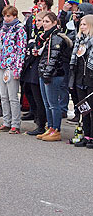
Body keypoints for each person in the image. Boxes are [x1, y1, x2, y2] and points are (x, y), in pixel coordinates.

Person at [37, 11, 73, 141]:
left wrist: (47, 74)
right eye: (43, 21)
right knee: (47, 103)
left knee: (53, 104)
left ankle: (56, 130)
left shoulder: (56, 37)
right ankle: (50, 127)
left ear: (54, 23)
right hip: (44, 72)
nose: (44, 24)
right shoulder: (46, 37)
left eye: (47, 22)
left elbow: (53, 58)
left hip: (53, 74)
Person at [0, 6, 27, 133]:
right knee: (3, 96)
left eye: (9, 16)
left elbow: (21, 50)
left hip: (11, 67)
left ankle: (15, 124)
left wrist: (17, 68)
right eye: (5, 16)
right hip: (1, 65)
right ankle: (6, 121)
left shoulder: (20, 29)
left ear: (15, 16)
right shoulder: (3, 30)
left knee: (12, 96)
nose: (6, 19)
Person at [21, 11, 48, 135]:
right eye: (36, 21)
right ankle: (36, 117)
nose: (36, 23)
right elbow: (30, 46)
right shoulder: (35, 33)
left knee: (38, 97)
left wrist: (32, 47)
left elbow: (36, 48)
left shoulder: (45, 35)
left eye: (39, 20)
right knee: (28, 90)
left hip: (38, 66)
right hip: (30, 65)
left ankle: (41, 124)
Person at [69, 14, 93, 148]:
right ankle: (86, 135)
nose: (82, 27)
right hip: (80, 79)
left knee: (92, 110)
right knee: (84, 111)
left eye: (84, 24)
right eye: (81, 24)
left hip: (90, 79)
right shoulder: (79, 41)